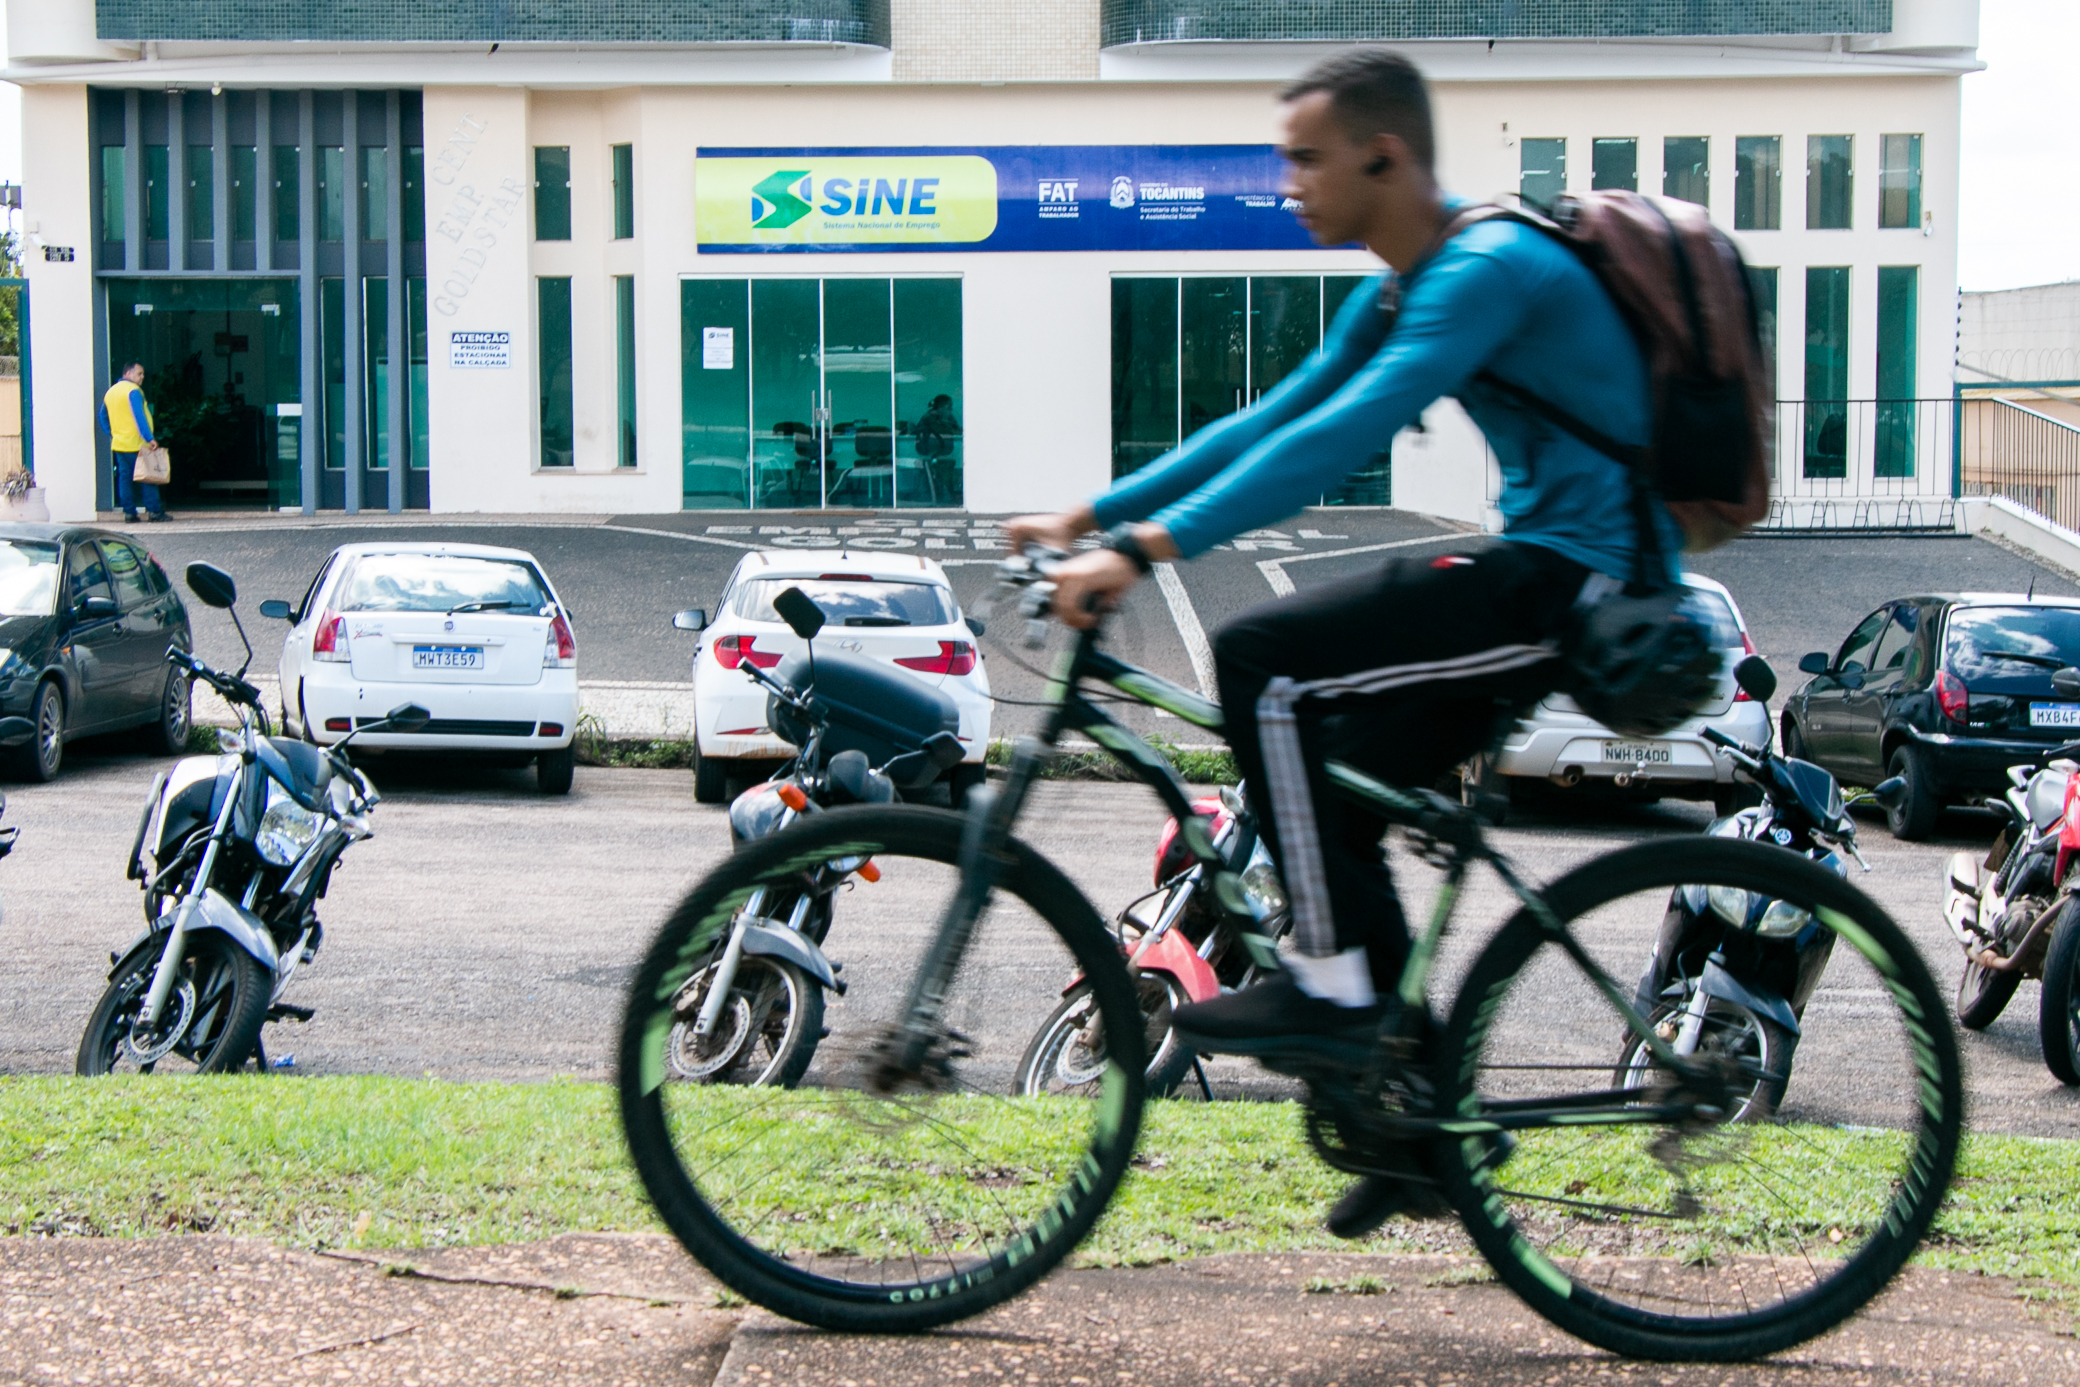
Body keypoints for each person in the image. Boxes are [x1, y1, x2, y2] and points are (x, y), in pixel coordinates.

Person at [1005, 48, 1676, 1232]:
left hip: (1573, 587)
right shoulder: (1406, 285)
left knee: (1264, 659)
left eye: (1306, 159)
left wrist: (1149, 550)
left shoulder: (1484, 267)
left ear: (1385, 153)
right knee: (1330, 787)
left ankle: (1326, 995)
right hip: (1542, 570)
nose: (1289, 184)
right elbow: (1274, 415)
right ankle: (1404, 1112)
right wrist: (1094, 514)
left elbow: (1340, 438)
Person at [97, 362, 168, 523]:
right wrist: (150, 438)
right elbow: (139, 416)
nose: (142, 377)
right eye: (139, 374)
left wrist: (112, 433)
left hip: (119, 444)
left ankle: (129, 513)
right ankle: (154, 511)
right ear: (128, 373)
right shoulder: (133, 391)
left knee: (125, 478)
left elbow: (102, 416)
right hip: (137, 443)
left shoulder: (111, 392)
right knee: (148, 476)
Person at [912, 393, 962, 501]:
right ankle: (946, 493)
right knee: (944, 467)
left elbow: (956, 429)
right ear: (942, 406)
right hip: (931, 453)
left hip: (943, 453)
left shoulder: (948, 417)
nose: (951, 409)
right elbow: (942, 431)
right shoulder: (929, 418)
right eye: (948, 406)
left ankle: (945, 492)